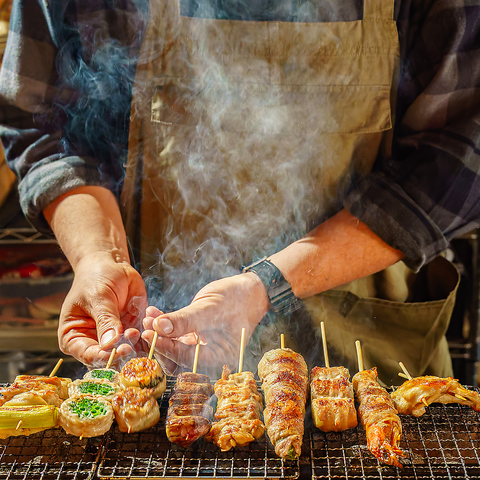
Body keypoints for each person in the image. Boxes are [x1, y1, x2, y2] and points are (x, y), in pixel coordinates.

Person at [1, 0, 479, 385]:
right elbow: (41, 122)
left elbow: (458, 159)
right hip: (157, 348)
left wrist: (267, 286)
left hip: (368, 355)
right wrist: (98, 259)